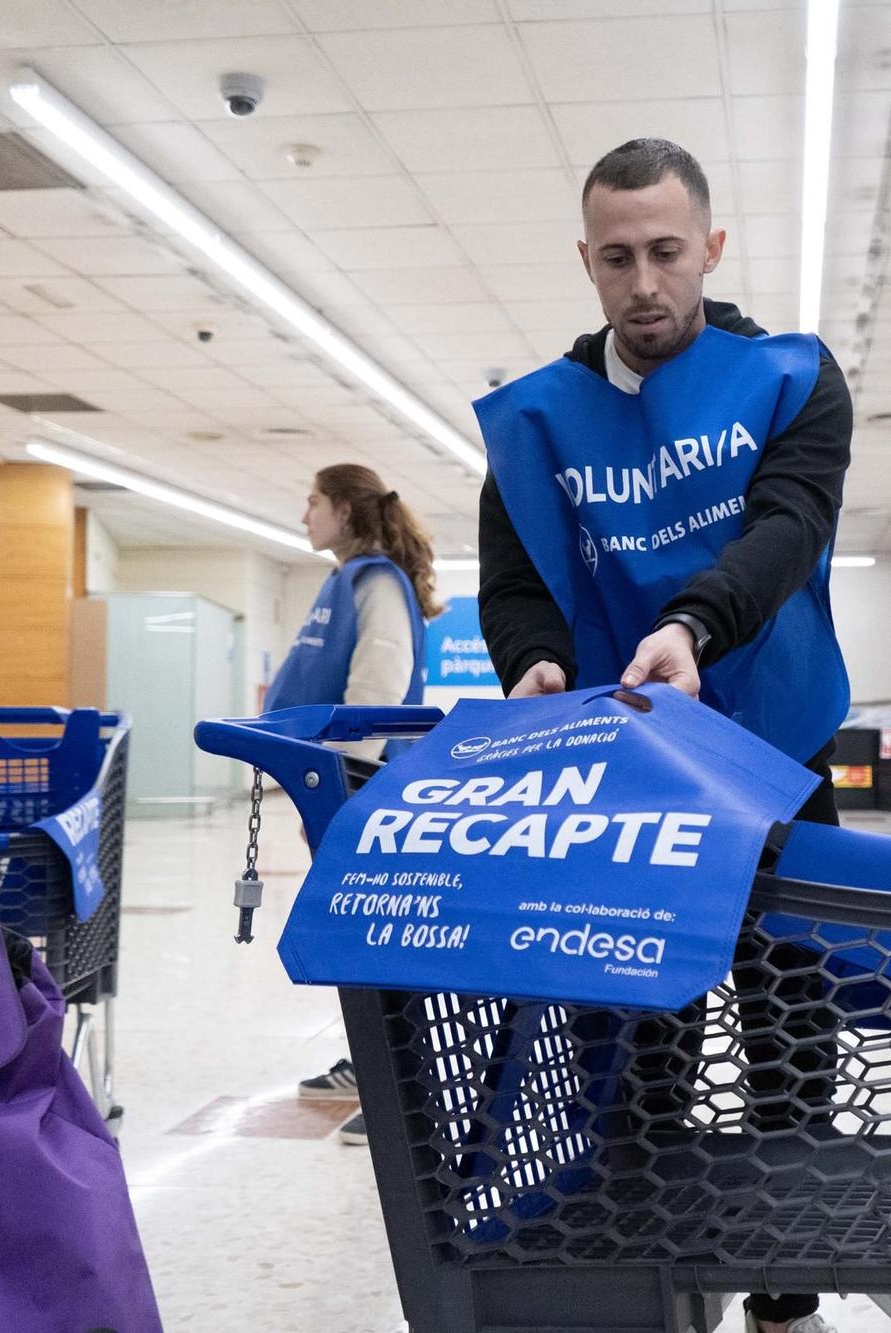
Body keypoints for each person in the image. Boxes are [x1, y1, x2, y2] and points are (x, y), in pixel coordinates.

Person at [473, 138, 852, 1333]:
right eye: (618, 258)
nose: (644, 284)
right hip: (628, 776)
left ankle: (782, 1289)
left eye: (667, 253)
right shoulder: (539, 421)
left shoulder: (788, 382)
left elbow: (785, 531)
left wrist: (692, 622)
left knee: (790, 1021)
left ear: (711, 250)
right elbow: (518, 576)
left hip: (777, 753)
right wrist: (529, 661)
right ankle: (664, 1273)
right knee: (646, 1041)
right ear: (585, 260)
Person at [271, 463, 441, 1147]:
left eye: (313, 501)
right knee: (362, 939)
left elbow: (380, 683)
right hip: (338, 782)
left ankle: (404, 1091)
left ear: (344, 509)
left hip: (361, 785)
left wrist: (346, 772)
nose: (304, 513)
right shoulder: (345, 580)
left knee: (381, 940)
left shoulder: (375, 581)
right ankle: (377, 1068)